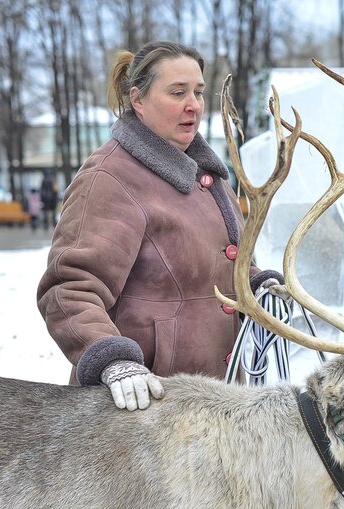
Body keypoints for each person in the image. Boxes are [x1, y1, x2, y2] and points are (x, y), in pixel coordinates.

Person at [37, 41, 283, 411]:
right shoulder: (110, 177)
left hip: (213, 404)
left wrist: (256, 284)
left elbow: (219, 263)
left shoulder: (208, 175)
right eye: (177, 92)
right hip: (140, 414)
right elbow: (69, 289)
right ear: (138, 99)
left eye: (199, 92)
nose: (193, 105)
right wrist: (112, 360)